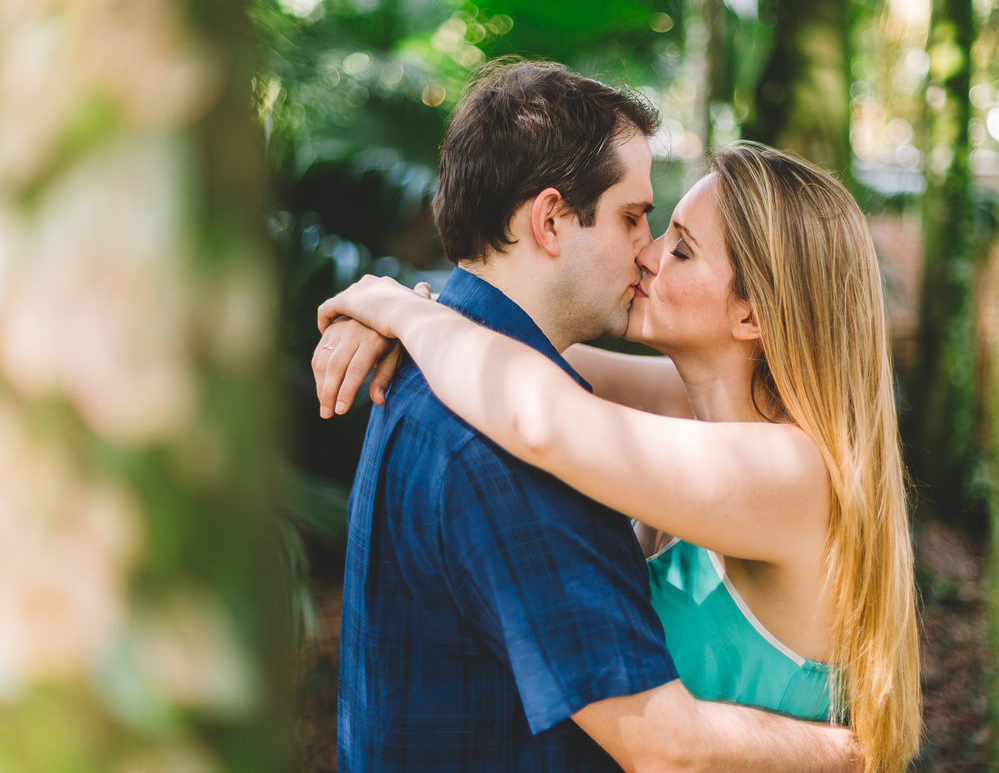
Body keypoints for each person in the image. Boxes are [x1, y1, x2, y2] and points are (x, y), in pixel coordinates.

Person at [315, 60, 862, 773]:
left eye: (679, 246)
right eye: (637, 218)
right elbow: (519, 371)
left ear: (752, 313)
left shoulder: (769, 462)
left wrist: (400, 309)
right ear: (550, 221)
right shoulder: (505, 429)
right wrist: (405, 310)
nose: (649, 253)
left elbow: (539, 406)